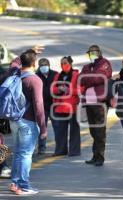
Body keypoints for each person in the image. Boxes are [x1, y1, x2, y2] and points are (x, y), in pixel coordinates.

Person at [9, 49, 47, 195]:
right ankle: (23, 185)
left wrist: (28, 51)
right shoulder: (35, 80)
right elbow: (38, 105)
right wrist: (43, 128)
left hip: (14, 120)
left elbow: (14, 63)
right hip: (28, 122)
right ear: (34, 63)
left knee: (18, 152)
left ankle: (15, 183)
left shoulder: (15, 74)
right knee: (25, 154)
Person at [79, 45, 112, 166]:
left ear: (99, 52)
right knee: (93, 130)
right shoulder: (87, 66)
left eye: (94, 52)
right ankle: (95, 155)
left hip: (100, 102)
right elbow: (80, 79)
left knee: (100, 130)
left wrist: (88, 77)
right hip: (88, 102)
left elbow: (100, 78)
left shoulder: (105, 63)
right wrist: (89, 77)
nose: (92, 54)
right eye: (90, 53)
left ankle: (100, 157)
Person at [51, 56, 81, 157]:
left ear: (70, 63)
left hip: (72, 107)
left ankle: (74, 151)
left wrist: (69, 90)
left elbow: (81, 89)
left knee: (74, 131)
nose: (63, 65)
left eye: (65, 63)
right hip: (60, 107)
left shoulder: (76, 75)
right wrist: (58, 90)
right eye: (62, 63)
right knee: (60, 131)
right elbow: (53, 89)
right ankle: (60, 150)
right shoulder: (58, 76)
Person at [36, 58, 58, 155]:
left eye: (45, 65)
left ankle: (60, 146)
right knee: (42, 127)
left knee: (57, 127)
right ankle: (41, 147)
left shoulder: (55, 74)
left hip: (54, 105)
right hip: (42, 106)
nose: (43, 67)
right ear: (39, 66)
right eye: (41, 65)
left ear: (49, 65)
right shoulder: (36, 76)